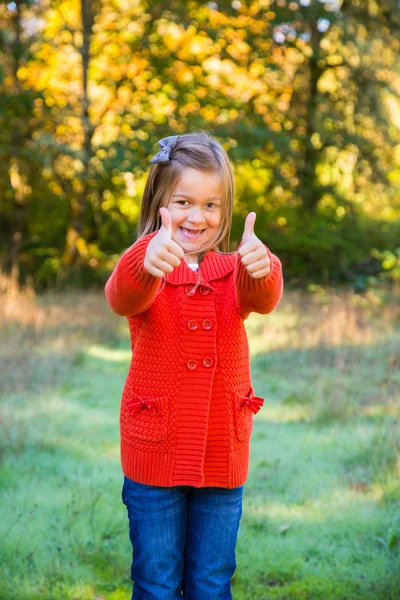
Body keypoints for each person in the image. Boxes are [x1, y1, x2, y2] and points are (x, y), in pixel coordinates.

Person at [104, 131, 283, 600]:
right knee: (157, 583)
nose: (197, 216)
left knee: (211, 582)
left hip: (222, 453)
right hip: (154, 457)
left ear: (224, 212)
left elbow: (263, 299)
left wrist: (262, 265)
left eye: (211, 205)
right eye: (184, 201)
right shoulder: (148, 265)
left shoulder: (234, 269)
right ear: (159, 202)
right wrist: (147, 259)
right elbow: (122, 296)